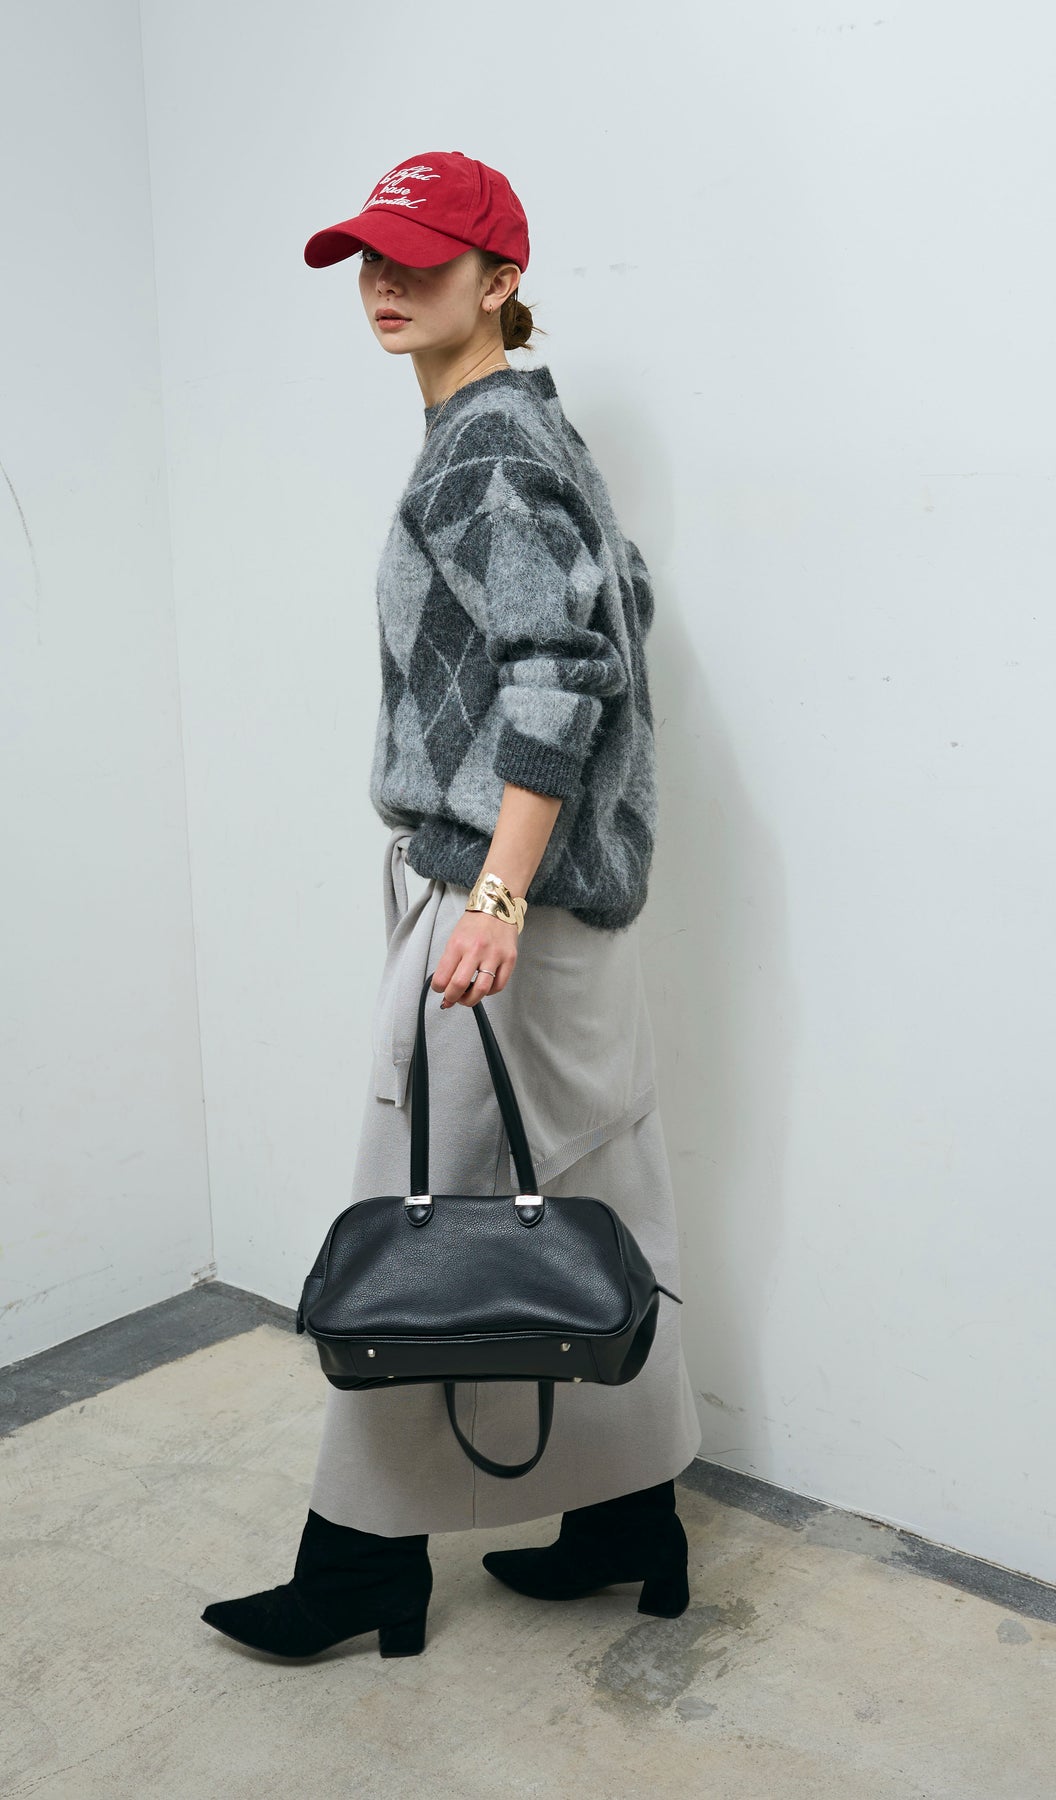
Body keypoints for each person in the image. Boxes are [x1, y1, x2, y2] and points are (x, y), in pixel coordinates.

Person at [201, 151, 702, 1661]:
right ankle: (630, 1520)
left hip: (505, 910)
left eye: (420, 260)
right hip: (559, 908)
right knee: (590, 1207)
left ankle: (361, 1563)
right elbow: (617, 612)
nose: (384, 282)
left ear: (499, 280)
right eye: (371, 257)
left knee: (409, 1228)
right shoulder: (528, 430)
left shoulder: (482, 450)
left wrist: (493, 891)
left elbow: (563, 672)